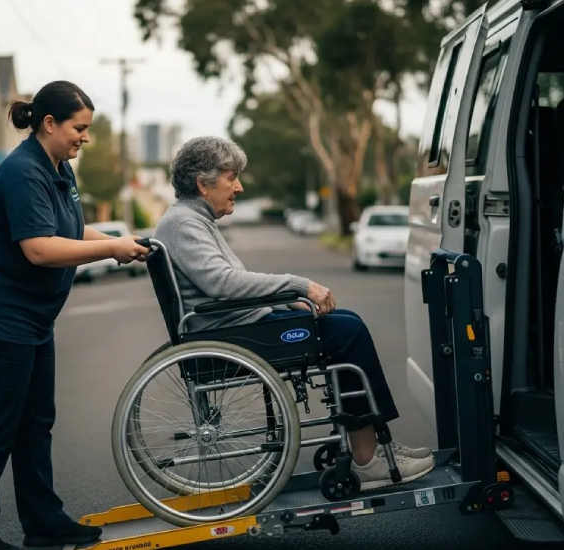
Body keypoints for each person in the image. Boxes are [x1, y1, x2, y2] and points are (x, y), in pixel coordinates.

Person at [152, 136, 435, 490]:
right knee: (347, 333)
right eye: (231, 178)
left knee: (347, 321)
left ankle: (371, 443)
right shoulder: (184, 224)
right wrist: (298, 285)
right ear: (202, 184)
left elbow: (225, 286)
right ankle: (366, 457)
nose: (238, 186)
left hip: (233, 326)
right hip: (231, 335)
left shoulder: (191, 219)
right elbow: (223, 285)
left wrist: (285, 300)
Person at [0, 80, 150, 550]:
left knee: (36, 421)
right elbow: (38, 248)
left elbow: (70, 228)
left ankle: (43, 521)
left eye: (88, 129)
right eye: (80, 128)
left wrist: (126, 240)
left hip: (31, 317)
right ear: (49, 123)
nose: (85, 137)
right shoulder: (22, 172)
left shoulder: (58, 167)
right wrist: (110, 249)